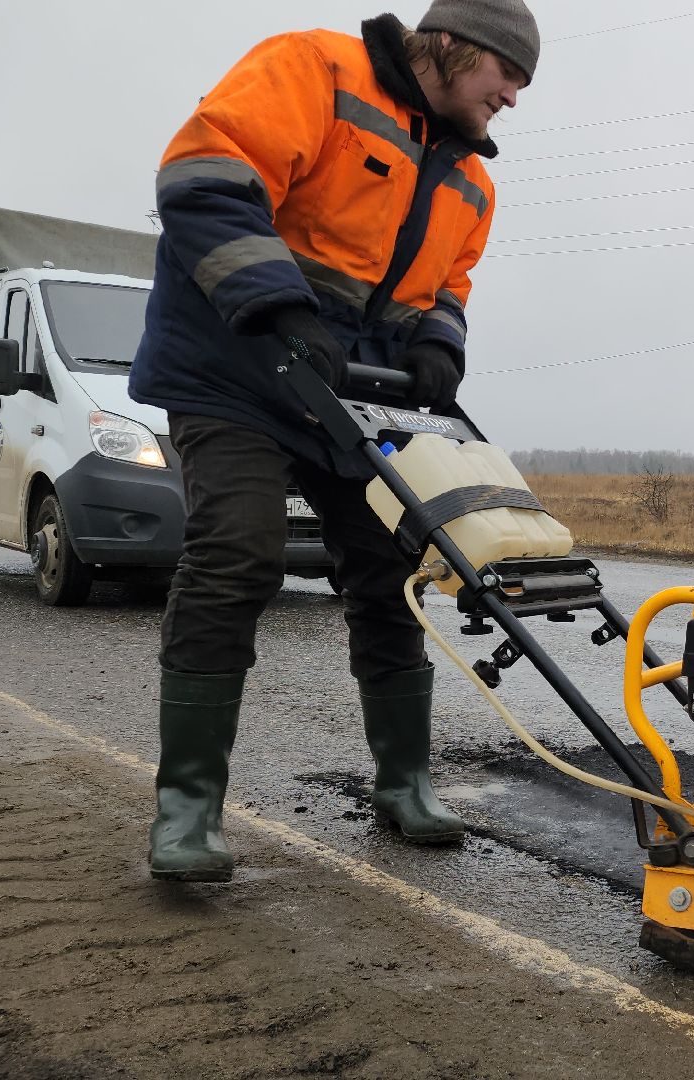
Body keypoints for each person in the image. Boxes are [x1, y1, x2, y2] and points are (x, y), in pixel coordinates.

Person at [128, 1, 537, 881]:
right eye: (507, 75)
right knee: (238, 552)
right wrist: (277, 304)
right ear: (457, 47)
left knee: (393, 573)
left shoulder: (474, 182)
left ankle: (404, 781)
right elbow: (202, 176)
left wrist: (437, 342)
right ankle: (188, 807)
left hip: (349, 399)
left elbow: (448, 284)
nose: (512, 97)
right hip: (232, 369)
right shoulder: (314, 71)